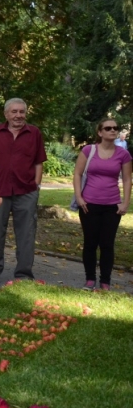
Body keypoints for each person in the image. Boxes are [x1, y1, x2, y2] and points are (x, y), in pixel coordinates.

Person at [0, 98, 47, 284]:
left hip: (26, 191)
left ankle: (23, 275)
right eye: (14, 112)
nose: (18, 115)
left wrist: (36, 185)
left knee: (26, 233)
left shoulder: (34, 133)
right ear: (6, 114)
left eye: (22, 112)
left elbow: (39, 162)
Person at [73, 118, 131, 291]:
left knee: (107, 244)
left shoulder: (123, 154)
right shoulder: (88, 150)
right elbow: (77, 174)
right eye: (108, 128)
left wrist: (125, 203)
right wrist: (79, 197)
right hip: (89, 205)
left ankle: (105, 281)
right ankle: (90, 279)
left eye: (115, 128)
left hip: (112, 206)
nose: (113, 130)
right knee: (90, 243)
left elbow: (127, 179)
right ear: (100, 132)